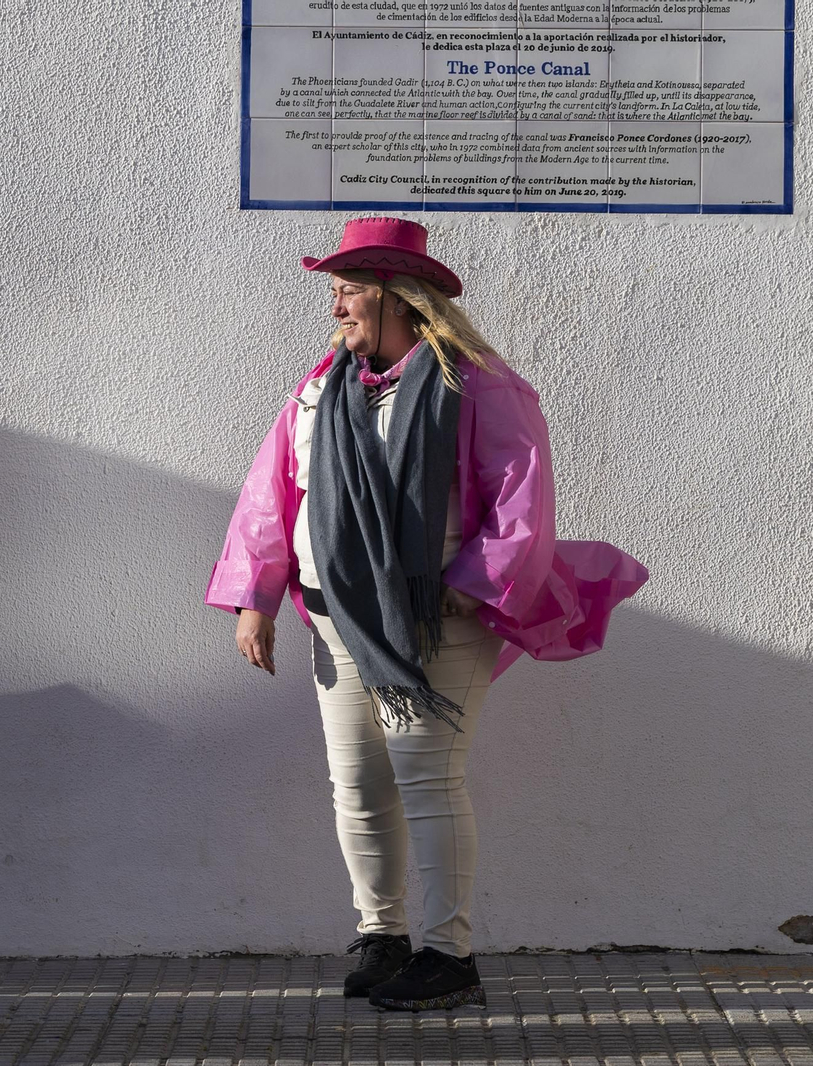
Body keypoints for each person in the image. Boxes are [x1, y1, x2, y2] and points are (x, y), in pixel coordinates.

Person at [205, 216, 648, 1013]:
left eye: (347, 291)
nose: (334, 307)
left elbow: (523, 500)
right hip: (338, 619)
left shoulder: (478, 386)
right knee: (357, 782)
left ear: (397, 299)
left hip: (438, 617)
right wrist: (255, 597)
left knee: (428, 779)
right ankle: (383, 937)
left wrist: (472, 586)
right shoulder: (317, 391)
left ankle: (450, 956)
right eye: (334, 293)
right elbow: (270, 498)